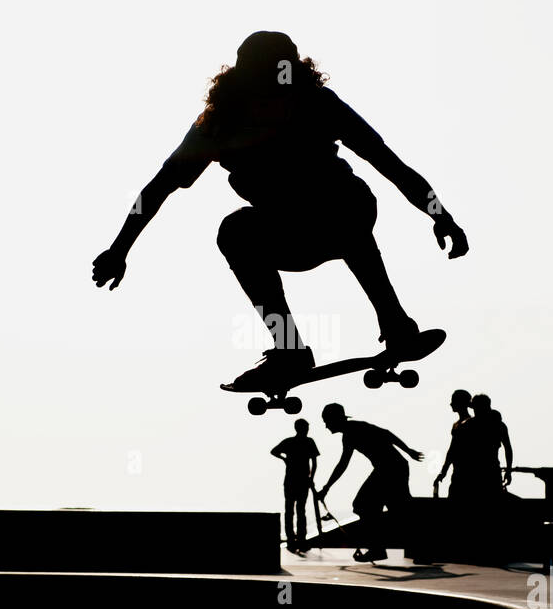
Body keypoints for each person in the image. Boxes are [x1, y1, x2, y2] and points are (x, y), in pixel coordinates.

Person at [91, 31, 469, 391]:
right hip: (286, 233)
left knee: (339, 203)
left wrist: (440, 214)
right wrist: (119, 248)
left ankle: (395, 321)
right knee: (235, 229)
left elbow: (389, 163)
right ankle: (289, 348)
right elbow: (157, 188)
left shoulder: (318, 104)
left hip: (339, 213)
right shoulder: (217, 124)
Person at [316, 403, 423, 562]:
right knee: (397, 511)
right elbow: (343, 464)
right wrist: (326, 488)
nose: (325, 425)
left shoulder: (355, 429)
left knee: (363, 505)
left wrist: (409, 451)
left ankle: (379, 549)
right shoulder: (349, 434)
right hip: (391, 468)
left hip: (390, 469)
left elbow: (386, 434)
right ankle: (408, 549)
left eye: (326, 421)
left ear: (335, 419)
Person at [271, 419, 319, 554]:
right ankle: (298, 541)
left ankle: (293, 541)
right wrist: (311, 478)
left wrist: (285, 459)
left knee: (292, 511)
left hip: (294, 480)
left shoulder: (291, 442)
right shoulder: (308, 442)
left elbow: (274, 451)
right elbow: (314, 463)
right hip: (300, 480)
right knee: (298, 511)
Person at [433, 390, 474, 498]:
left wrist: (444, 472)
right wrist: (444, 471)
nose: (451, 404)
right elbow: (452, 451)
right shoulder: (456, 425)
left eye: (453, 401)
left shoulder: (469, 424)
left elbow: (453, 450)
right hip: (458, 471)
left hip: (467, 472)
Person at [469, 393, 514, 492]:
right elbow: (508, 449)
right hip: (486, 470)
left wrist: (509, 470)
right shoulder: (499, 425)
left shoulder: (471, 425)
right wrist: (508, 470)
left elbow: (508, 449)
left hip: (482, 471)